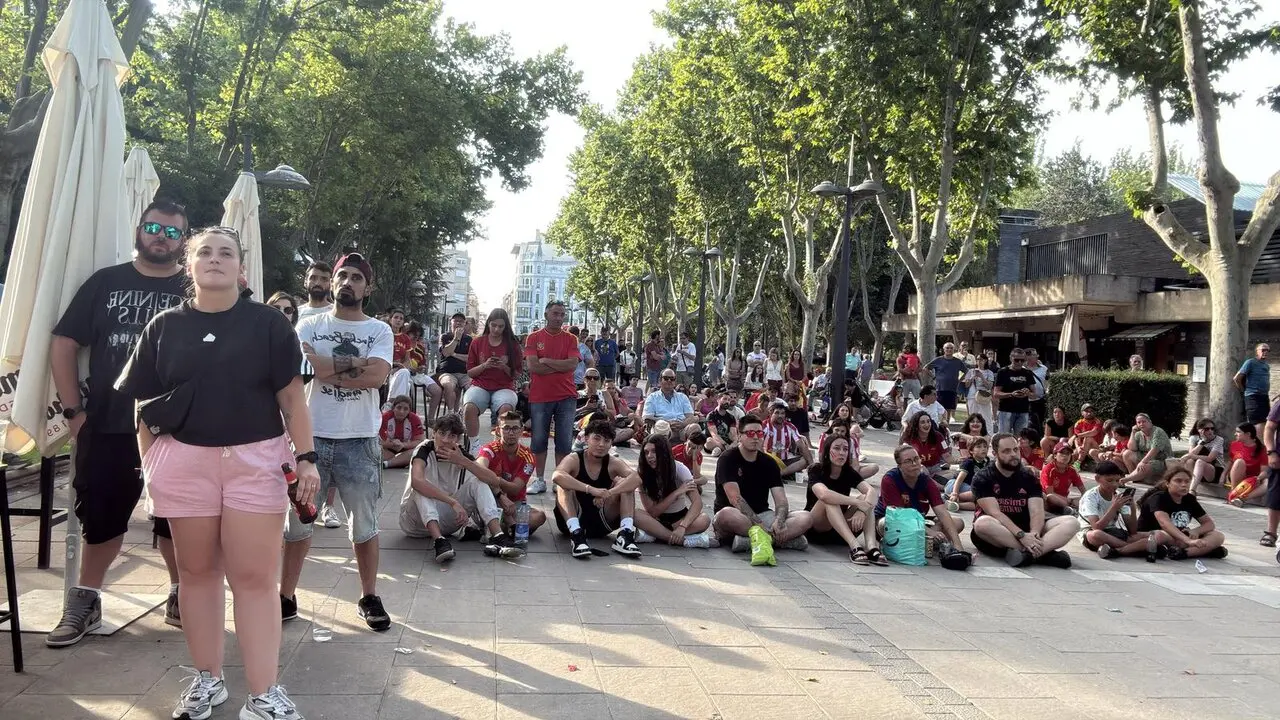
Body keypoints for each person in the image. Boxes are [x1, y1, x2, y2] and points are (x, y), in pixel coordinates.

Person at [115, 226, 317, 720]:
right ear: (189, 265)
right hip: (183, 461)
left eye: (226, 252)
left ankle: (264, 693)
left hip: (256, 460)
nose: (214, 259)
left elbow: (292, 396)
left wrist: (307, 457)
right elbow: (141, 402)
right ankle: (207, 681)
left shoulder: (269, 324)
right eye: (204, 252)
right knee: (197, 574)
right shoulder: (164, 325)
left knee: (253, 578)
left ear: (242, 269)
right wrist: (150, 464)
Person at [47, 199, 188, 647]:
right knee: (102, 517)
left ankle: (181, 593)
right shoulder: (105, 282)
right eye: (153, 228)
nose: (160, 238)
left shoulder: (196, 287)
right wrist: (74, 413)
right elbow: (64, 341)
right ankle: (85, 601)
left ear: (184, 240)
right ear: (138, 228)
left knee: (180, 519)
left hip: (180, 430)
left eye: (171, 232)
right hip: (108, 423)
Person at [280, 252, 393, 632]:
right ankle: (286, 596)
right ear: (332, 282)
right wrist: (352, 368)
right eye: (342, 275)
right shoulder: (307, 325)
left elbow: (377, 377)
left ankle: (369, 595)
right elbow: (303, 371)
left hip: (359, 440)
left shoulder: (380, 330)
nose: (348, 282)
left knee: (364, 523)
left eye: (357, 278)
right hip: (310, 441)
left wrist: (326, 366)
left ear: (368, 287)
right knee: (297, 524)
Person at [398, 414, 521, 562]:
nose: (445, 440)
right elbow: (417, 482)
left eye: (451, 436)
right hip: (414, 522)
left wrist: (463, 461)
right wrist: (453, 502)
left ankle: (498, 536)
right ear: (433, 434)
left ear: (457, 440)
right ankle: (439, 542)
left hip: (447, 522)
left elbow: (492, 479)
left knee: (478, 481)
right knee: (421, 487)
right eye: (442, 433)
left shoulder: (459, 454)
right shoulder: (424, 448)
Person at [970, 433, 1077, 568]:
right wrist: (1021, 536)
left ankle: (1028, 554)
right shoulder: (983, 477)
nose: (1013, 454)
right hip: (998, 532)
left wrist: (1034, 534)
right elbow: (995, 513)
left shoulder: (1029, 477)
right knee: (982, 524)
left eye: (1015, 449)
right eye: (1006, 451)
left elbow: (1037, 511)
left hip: (1027, 528)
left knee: (1071, 522)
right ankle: (1044, 555)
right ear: (995, 453)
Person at [713, 415, 813, 552]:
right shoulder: (727, 459)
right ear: (739, 435)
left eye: (759, 433)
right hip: (738, 516)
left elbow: (781, 501)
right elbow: (735, 499)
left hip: (764, 515)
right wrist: (758, 523)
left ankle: (750, 541)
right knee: (726, 515)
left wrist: (780, 521)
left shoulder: (769, 462)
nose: (755, 437)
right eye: (750, 433)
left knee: (806, 517)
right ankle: (781, 540)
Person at [551, 419, 643, 558]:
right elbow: (557, 475)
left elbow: (636, 478)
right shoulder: (575, 458)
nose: (601, 444)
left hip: (602, 521)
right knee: (563, 484)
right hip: (574, 518)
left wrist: (609, 493)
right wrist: (591, 489)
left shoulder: (613, 462)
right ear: (586, 439)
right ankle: (576, 535)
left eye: (606, 440)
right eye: (597, 439)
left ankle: (625, 535)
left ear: (611, 443)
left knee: (626, 484)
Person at [524, 301, 580, 495]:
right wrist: (560, 365)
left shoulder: (571, 338)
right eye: (555, 313)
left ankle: (559, 479)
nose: (559, 317)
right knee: (538, 440)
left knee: (564, 441)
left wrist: (546, 361)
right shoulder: (533, 338)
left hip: (566, 395)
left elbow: (572, 365)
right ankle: (539, 479)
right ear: (546, 313)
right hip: (540, 396)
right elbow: (533, 367)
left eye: (562, 314)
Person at [805, 436, 887, 565]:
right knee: (830, 500)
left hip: (839, 529)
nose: (841, 452)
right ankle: (855, 547)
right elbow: (824, 495)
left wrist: (862, 510)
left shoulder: (848, 472)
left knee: (865, 499)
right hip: (816, 528)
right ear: (827, 451)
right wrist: (856, 503)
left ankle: (871, 548)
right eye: (837, 448)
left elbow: (872, 492)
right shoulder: (816, 469)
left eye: (845, 449)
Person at [874, 444, 968, 555]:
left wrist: (958, 545)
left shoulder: (926, 481)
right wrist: (928, 531)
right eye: (908, 461)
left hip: (919, 522)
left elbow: (942, 512)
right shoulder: (890, 479)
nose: (914, 464)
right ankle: (921, 542)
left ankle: (918, 543)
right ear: (899, 466)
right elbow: (899, 515)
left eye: (916, 459)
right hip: (894, 522)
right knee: (885, 523)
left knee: (957, 523)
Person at [633, 435, 716, 547]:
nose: (650, 456)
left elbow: (697, 503)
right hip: (656, 520)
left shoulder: (679, 469)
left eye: (654, 451)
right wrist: (676, 492)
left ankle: (656, 536)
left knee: (705, 519)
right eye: (646, 452)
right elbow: (652, 512)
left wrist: (683, 526)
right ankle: (684, 541)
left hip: (679, 519)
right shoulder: (642, 473)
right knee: (635, 514)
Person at [476, 411, 546, 536]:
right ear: (498, 430)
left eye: (515, 428)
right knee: (480, 483)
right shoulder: (489, 449)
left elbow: (515, 489)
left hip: (514, 505)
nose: (511, 433)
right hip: (491, 499)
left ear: (521, 430)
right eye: (506, 428)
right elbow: (479, 469)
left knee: (539, 517)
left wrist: (493, 478)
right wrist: (499, 494)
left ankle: (498, 525)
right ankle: (509, 525)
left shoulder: (528, 456)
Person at [463, 308, 523, 452]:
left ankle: (498, 446)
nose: (497, 329)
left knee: (506, 409)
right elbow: (470, 372)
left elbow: (517, 375)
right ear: (488, 324)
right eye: (494, 325)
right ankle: (474, 445)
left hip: (504, 386)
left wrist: (504, 367)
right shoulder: (477, 342)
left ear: (505, 326)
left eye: (501, 326)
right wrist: (484, 365)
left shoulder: (512, 345)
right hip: (480, 385)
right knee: (469, 407)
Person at [1137, 466, 1228, 560]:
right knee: (1164, 536)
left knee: (1218, 536)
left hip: (1179, 537)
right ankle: (1205, 550)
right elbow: (1165, 524)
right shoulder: (1158, 498)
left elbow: (1209, 524)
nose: (1184, 485)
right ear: (1168, 483)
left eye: (1187, 481)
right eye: (1178, 481)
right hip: (1159, 535)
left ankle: (1183, 553)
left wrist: (1195, 531)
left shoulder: (1189, 499)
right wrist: (1188, 540)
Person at [1079, 461, 1145, 559]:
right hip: (1092, 532)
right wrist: (1114, 508)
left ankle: (1119, 550)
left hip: (1113, 533)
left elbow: (1132, 531)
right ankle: (1135, 549)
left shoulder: (1118, 496)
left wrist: (1132, 508)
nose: (1114, 484)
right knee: (1095, 535)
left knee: (1157, 535)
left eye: (1117, 481)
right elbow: (1096, 527)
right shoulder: (1091, 496)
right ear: (1097, 479)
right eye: (1109, 480)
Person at [898, 410, 953, 485]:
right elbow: (904, 458)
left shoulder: (938, 436)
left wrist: (960, 461)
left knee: (956, 473)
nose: (927, 424)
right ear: (916, 425)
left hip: (935, 471)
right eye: (922, 422)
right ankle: (938, 486)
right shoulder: (908, 437)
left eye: (928, 421)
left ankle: (929, 482)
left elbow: (947, 456)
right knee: (922, 471)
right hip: (916, 468)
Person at [762, 399, 813, 479]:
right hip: (767, 461)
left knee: (806, 459)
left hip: (784, 462)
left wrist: (812, 467)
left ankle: (779, 474)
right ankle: (786, 473)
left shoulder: (790, 427)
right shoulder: (764, 425)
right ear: (771, 413)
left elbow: (802, 446)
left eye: (782, 413)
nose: (780, 416)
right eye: (777, 413)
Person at [993, 348, 1037, 433]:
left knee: (1021, 438)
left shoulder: (1027, 373)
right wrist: (1011, 394)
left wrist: (1027, 393)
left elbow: (1035, 394)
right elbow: (996, 393)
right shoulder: (1003, 372)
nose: (1019, 363)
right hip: (1006, 410)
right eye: (1016, 360)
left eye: (1022, 360)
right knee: (1004, 437)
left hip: (1023, 410)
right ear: (1011, 358)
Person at [642, 369, 698, 435]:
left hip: (681, 429)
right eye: (666, 378)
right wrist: (667, 423)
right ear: (660, 381)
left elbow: (690, 417)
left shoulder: (683, 397)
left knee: (695, 427)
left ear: (675, 382)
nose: (669, 381)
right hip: (662, 429)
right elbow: (647, 418)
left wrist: (682, 424)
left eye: (672, 379)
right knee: (661, 427)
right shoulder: (652, 397)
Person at [436, 313, 473, 413]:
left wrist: (454, 354)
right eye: (455, 321)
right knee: (448, 385)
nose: (458, 323)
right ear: (451, 322)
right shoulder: (445, 337)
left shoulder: (469, 339)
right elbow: (446, 353)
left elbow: (470, 358)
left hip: (464, 373)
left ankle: (465, 413)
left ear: (465, 324)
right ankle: (452, 413)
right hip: (447, 372)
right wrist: (456, 338)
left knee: (473, 389)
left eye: (461, 321)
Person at [925, 343, 967, 426]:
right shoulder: (938, 360)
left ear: (954, 350)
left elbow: (966, 371)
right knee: (938, 408)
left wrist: (959, 380)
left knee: (948, 409)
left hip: (952, 388)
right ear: (944, 349)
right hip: (940, 388)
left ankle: (946, 427)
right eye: (947, 348)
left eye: (951, 348)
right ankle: (936, 426)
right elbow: (926, 368)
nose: (949, 350)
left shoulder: (957, 361)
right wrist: (934, 377)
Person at [1227, 422, 1267, 509]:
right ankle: (1234, 493)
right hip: (1238, 477)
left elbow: (1264, 470)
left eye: (1238, 432)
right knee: (1239, 462)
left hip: (1254, 480)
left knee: (1268, 482)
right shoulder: (1234, 444)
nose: (1235, 434)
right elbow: (1230, 461)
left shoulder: (1262, 449)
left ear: (1248, 434)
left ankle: (1241, 499)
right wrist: (1223, 474)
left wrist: (1258, 478)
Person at [1123, 413, 1172, 483]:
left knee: (1145, 466)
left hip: (1161, 460)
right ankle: (1134, 477)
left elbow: (1155, 450)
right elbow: (1132, 448)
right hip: (1147, 458)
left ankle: (1129, 478)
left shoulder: (1158, 431)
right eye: (1139, 422)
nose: (1141, 424)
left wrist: (1143, 462)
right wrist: (1133, 432)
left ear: (1150, 422)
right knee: (1126, 454)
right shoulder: (1139, 434)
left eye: (1144, 421)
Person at [1234, 343, 1271, 437]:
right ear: (1257, 351)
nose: (1265, 352)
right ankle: (1257, 448)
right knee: (1258, 424)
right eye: (1263, 350)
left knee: (1265, 422)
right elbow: (1237, 378)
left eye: (1267, 350)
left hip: (1264, 397)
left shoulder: (1266, 365)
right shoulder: (1250, 362)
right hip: (1253, 396)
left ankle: (1261, 447)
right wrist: (1244, 392)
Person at [379, 395, 425, 469]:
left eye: (405, 409)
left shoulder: (415, 419)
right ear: (393, 408)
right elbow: (379, 441)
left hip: (407, 450)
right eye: (399, 407)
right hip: (389, 449)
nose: (401, 411)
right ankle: (398, 462)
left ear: (409, 410)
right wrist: (392, 444)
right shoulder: (385, 417)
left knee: (418, 452)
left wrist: (403, 445)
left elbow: (420, 441)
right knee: (376, 451)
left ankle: (387, 464)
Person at [945, 436, 989, 512]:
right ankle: (949, 497)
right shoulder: (968, 462)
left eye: (985, 446)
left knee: (984, 504)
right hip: (955, 485)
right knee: (980, 494)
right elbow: (959, 479)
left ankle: (956, 505)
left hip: (970, 488)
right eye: (979, 447)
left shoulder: (987, 462)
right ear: (971, 451)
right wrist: (954, 493)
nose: (983, 449)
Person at [1184, 418, 1227, 494]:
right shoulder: (1194, 438)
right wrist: (1203, 441)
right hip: (1198, 470)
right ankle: (1188, 487)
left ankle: (1192, 491)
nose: (1210, 431)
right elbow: (1191, 454)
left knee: (1199, 461)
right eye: (1207, 429)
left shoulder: (1219, 440)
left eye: (1212, 428)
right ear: (1200, 430)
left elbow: (1210, 458)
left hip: (1215, 471)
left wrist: (1191, 456)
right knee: (1189, 461)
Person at [1040, 442, 1084, 514]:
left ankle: (1067, 509)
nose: (1065, 456)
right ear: (1055, 455)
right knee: (1050, 497)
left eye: (1068, 453)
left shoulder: (1072, 470)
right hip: (1048, 500)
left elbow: (1083, 490)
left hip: (1064, 499)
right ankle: (1070, 509)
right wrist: (1069, 501)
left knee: (1082, 499)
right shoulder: (1048, 469)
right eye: (1062, 453)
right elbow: (1050, 493)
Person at [962, 355, 995, 424]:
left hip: (983, 396)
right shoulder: (971, 371)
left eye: (981, 359)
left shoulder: (989, 372)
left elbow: (989, 386)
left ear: (985, 361)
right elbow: (966, 385)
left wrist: (982, 377)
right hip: (972, 396)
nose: (979, 361)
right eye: (977, 359)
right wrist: (973, 377)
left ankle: (988, 433)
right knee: (972, 417)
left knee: (986, 417)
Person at [705, 391, 739, 456]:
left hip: (728, 443)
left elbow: (734, 434)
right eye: (725, 399)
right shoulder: (711, 416)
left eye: (729, 400)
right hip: (716, 441)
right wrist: (726, 445)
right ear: (718, 400)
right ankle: (727, 451)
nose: (727, 402)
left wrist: (734, 442)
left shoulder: (731, 417)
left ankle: (720, 451)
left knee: (740, 441)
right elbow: (714, 434)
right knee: (709, 442)